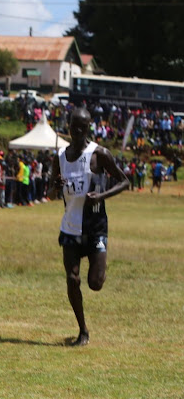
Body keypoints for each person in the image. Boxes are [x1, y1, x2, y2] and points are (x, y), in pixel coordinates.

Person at [47, 107, 129, 347]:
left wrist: (102, 195)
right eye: (74, 126)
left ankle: (100, 263)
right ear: (69, 127)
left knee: (95, 283)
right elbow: (51, 193)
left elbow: (124, 182)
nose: (78, 131)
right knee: (72, 279)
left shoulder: (99, 154)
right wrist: (55, 185)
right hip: (70, 228)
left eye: (83, 127)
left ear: (89, 128)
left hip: (95, 229)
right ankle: (82, 331)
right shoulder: (60, 157)